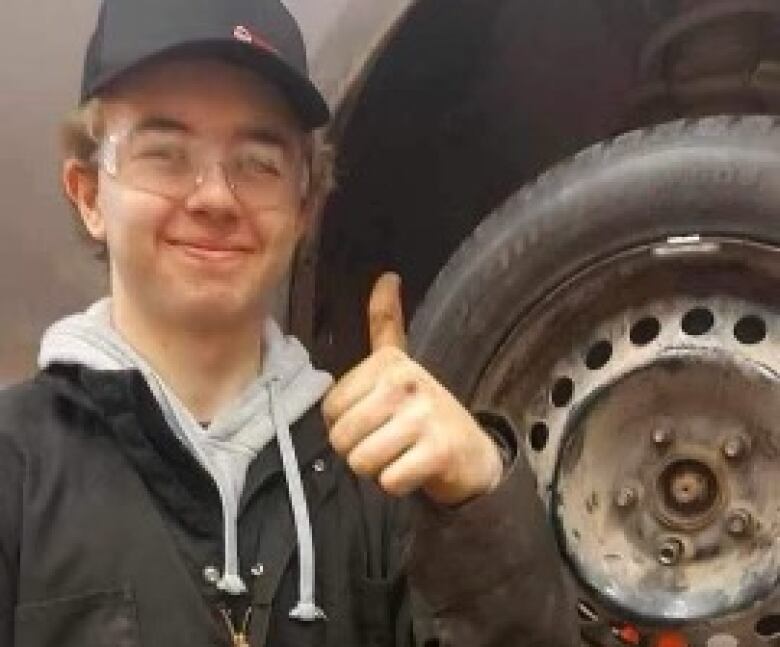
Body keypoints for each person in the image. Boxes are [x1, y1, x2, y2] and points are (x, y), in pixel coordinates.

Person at [0, 0, 577, 645]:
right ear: (88, 196)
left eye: (258, 163)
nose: (215, 197)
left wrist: (481, 508)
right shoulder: (13, 467)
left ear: (304, 209)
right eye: (163, 154)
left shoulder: (384, 478)